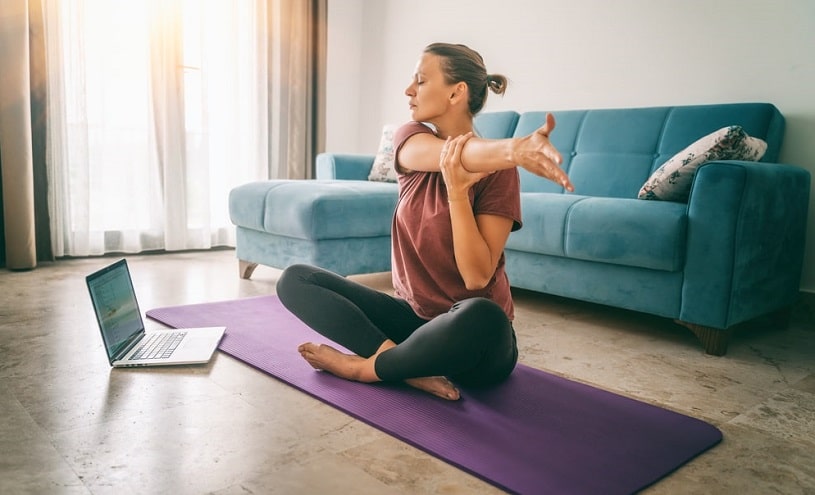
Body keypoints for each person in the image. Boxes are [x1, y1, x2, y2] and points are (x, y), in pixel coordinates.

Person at [276, 42, 573, 401]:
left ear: (456, 92)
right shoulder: (411, 138)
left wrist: (459, 194)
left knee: (483, 314)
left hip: (472, 341)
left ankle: (365, 368)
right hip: (413, 323)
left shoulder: (500, 175)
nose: (409, 90)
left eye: (420, 80)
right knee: (296, 279)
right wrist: (512, 149)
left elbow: (477, 276)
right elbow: (454, 155)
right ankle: (398, 364)